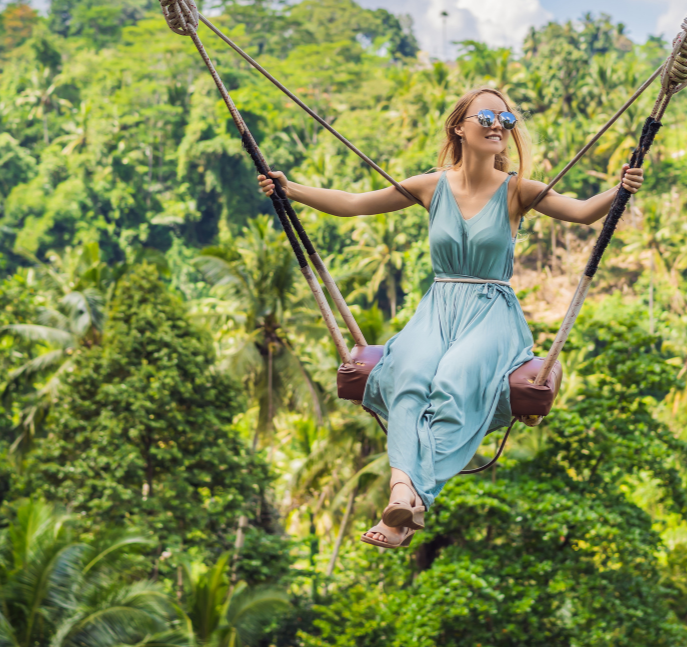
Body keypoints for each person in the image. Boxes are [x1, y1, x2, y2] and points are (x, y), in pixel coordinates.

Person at [257, 87, 645, 548]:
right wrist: (290, 189)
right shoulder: (431, 185)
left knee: (457, 379)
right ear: (459, 127)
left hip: (491, 313)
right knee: (409, 374)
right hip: (438, 308)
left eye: (507, 119)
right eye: (486, 115)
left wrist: (620, 190)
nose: (497, 124)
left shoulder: (519, 190)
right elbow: (354, 202)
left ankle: (409, 498)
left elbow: (581, 214)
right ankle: (403, 492)